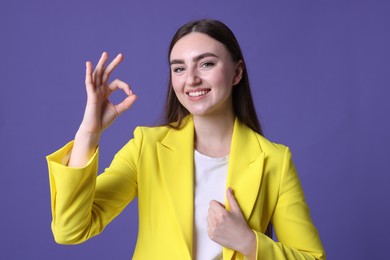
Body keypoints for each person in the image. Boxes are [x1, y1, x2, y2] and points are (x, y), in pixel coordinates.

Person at [46, 19, 325, 259]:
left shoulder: (274, 160)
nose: (190, 79)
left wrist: (248, 243)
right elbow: (70, 230)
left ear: (236, 72)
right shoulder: (148, 146)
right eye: (179, 68)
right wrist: (88, 133)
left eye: (206, 64)